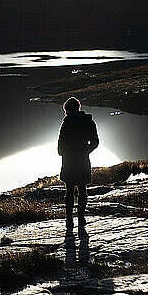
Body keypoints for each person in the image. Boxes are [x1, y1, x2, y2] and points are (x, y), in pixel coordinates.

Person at [58, 97, 99, 227]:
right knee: (82, 189)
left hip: (69, 160)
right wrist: (86, 151)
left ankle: (69, 219)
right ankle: (81, 218)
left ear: (68, 110)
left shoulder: (66, 122)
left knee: (69, 190)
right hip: (82, 159)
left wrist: (63, 153)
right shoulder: (88, 122)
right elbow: (95, 142)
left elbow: (60, 142)